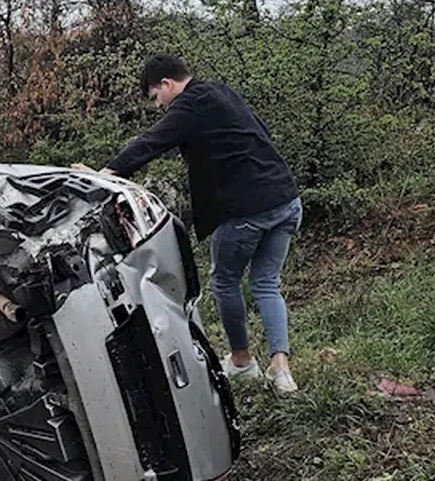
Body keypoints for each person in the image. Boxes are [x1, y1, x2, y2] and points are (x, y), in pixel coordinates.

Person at [99, 54, 302, 394]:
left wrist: (108, 174)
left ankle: (241, 362)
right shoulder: (221, 92)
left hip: (244, 210)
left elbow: (152, 141)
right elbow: (258, 131)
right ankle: (281, 371)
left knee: (224, 280)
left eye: (155, 97)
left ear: (166, 84)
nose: (159, 106)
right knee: (267, 282)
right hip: (284, 199)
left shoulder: (189, 104)